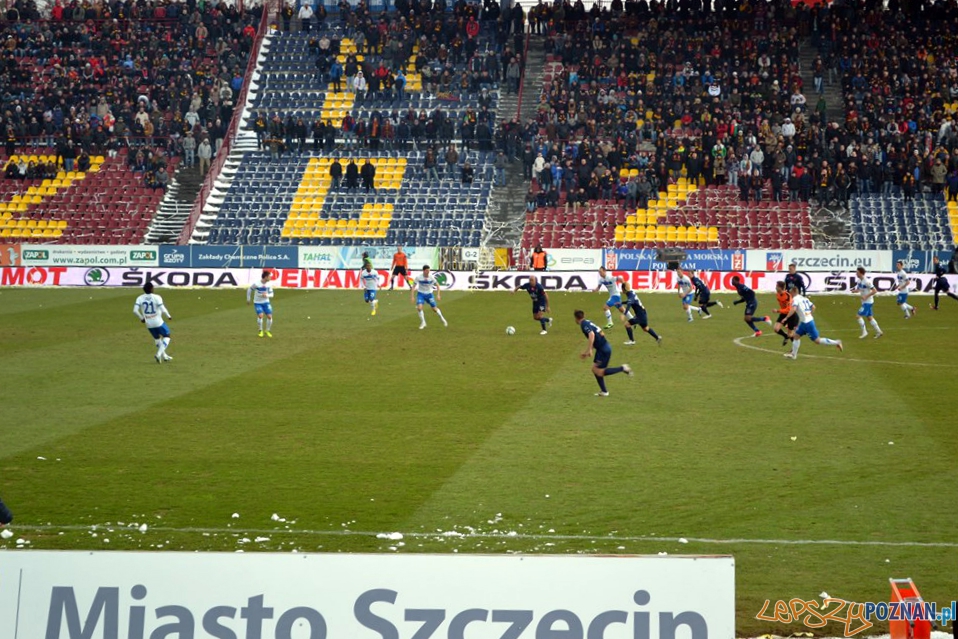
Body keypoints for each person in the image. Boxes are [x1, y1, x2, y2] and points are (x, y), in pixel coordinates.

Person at [574, 309, 632, 397]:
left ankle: (622, 368)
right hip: (603, 347)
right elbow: (599, 335)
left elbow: (592, 335)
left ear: (576, 318)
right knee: (594, 369)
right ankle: (604, 391)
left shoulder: (583, 324)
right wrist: (587, 352)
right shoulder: (588, 322)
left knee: (599, 372)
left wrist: (589, 349)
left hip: (603, 350)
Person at [782, 285, 844, 360]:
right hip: (805, 322)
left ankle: (837, 342)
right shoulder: (804, 298)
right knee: (796, 336)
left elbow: (793, 309)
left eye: (790, 292)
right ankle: (793, 355)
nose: (790, 293)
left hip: (808, 324)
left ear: (794, 292)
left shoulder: (795, 299)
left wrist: (786, 317)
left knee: (817, 340)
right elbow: (813, 307)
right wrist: (809, 314)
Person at [133, 282, 173, 362]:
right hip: (158, 322)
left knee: (157, 338)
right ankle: (158, 354)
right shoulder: (157, 297)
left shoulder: (140, 298)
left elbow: (135, 310)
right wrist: (168, 316)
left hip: (149, 323)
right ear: (151, 289)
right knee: (167, 336)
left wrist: (141, 318)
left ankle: (164, 356)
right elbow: (162, 308)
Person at [618, 281, 662, 346]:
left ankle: (632, 341)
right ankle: (657, 337)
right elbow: (630, 302)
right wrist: (621, 303)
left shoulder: (630, 295)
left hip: (640, 315)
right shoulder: (631, 293)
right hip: (643, 313)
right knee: (645, 328)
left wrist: (624, 314)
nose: (621, 291)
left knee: (627, 324)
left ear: (624, 289)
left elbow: (629, 304)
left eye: (622, 289)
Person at [853, 267, 883, 339]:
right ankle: (879, 332)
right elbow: (860, 289)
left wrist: (866, 296)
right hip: (865, 302)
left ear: (860, 273)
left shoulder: (867, 281)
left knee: (858, 316)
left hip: (868, 302)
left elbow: (875, 291)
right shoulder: (859, 281)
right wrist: (855, 291)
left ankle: (864, 332)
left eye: (857, 272)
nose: (856, 274)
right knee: (869, 317)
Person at [247, 270, 274, 338]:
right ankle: (260, 330)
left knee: (269, 316)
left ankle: (267, 330)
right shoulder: (257, 283)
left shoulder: (269, 284)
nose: (270, 278)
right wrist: (248, 299)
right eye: (269, 276)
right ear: (265, 277)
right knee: (261, 315)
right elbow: (249, 289)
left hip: (266, 302)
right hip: (258, 302)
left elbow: (272, 294)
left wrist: (267, 295)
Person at [772, 281, 798, 346]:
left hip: (791, 315)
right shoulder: (777, 294)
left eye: (777, 286)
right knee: (776, 329)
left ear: (780, 288)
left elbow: (789, 309)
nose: (775, 287)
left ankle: (794, 349)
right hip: (783, 314)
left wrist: (778, 311)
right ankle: (785, 336)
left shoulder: (788, 296)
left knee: (790, 334)